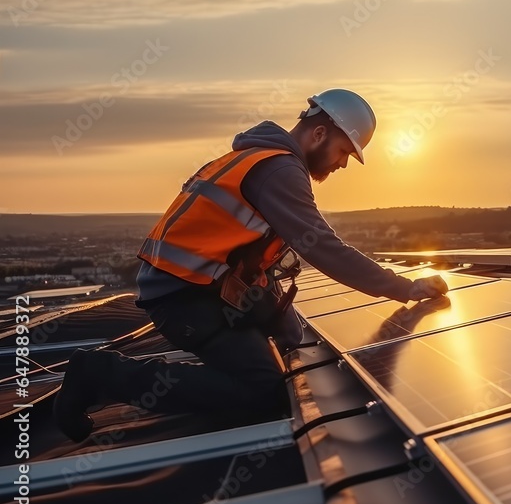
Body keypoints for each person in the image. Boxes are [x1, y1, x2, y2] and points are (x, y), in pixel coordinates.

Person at [54, 89, 449, 442]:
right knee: (262, 389)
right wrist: (403, 287)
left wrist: (296, 340)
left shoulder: (255, 158)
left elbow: (254, 273)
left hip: (194, 290)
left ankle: (104, 373)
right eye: (345, 152)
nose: (343, 165)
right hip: (181, 299)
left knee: (273, 365)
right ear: (319, 134)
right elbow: (325, 248)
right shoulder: (279, 170)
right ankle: (100, 374)